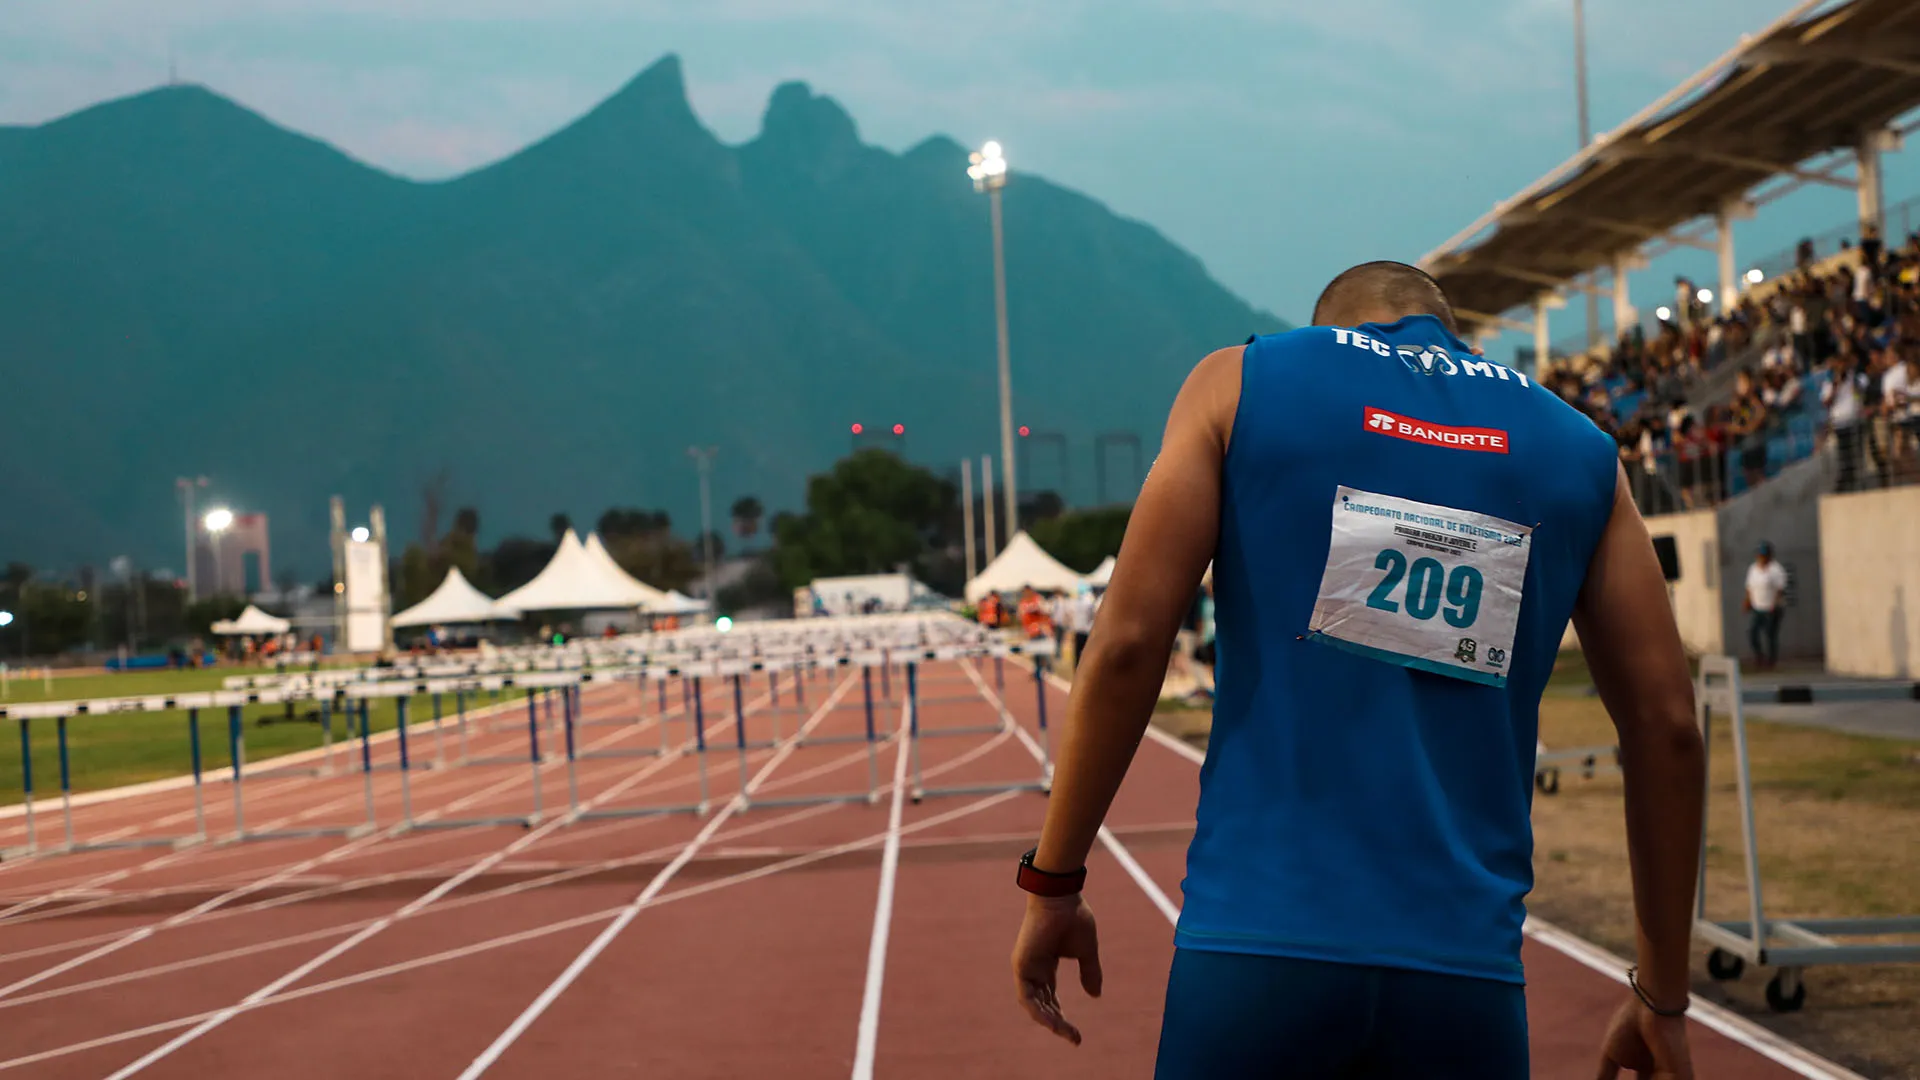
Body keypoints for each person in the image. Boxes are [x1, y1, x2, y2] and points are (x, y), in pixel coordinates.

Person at [1008, 261, 1706, 1079]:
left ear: (1332, 323)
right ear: (1448, 329)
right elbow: (1667, 728)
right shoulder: (1579, 449)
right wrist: (1663, 996)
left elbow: (1127, 645)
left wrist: (1054, 880)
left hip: (1257, 951)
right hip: (1463, 978)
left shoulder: (1241, 383)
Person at [1743, 542, 1789, 671]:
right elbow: (1749, 586)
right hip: (1758, 607)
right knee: (1753, 633)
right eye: (1760, 555)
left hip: (1772, 608)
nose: (1762, 558)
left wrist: (1774, 605)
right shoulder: (1753, 569)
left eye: (1764, 556)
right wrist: (1747, 601)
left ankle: (1771, 660)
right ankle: (1759, 656)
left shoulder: (1776, 569)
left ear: (1769, 556)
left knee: (1770, 635)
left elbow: (1780, 590)